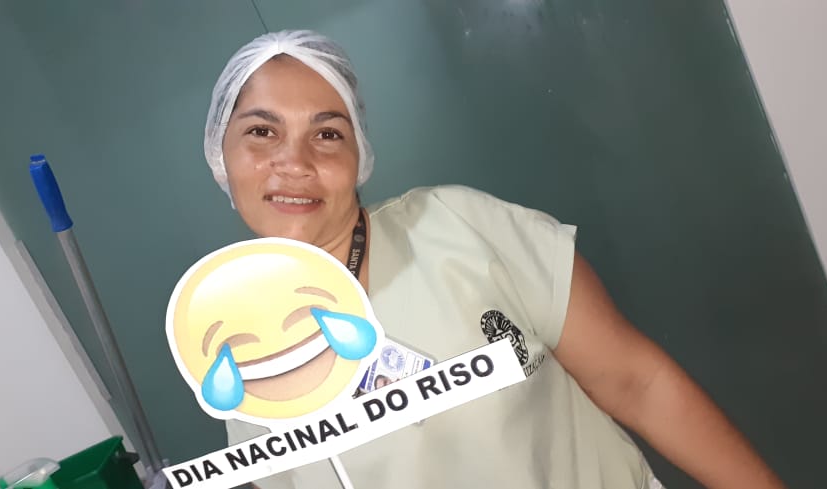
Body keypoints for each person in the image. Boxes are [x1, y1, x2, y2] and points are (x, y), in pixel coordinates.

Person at [201, 30, 784, 489]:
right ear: (221, 156)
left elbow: (639, 383)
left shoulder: (460, 228)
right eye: (262, 132)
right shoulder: (238, 363)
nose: (294, 162)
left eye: (327, 134)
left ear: (360, 153)